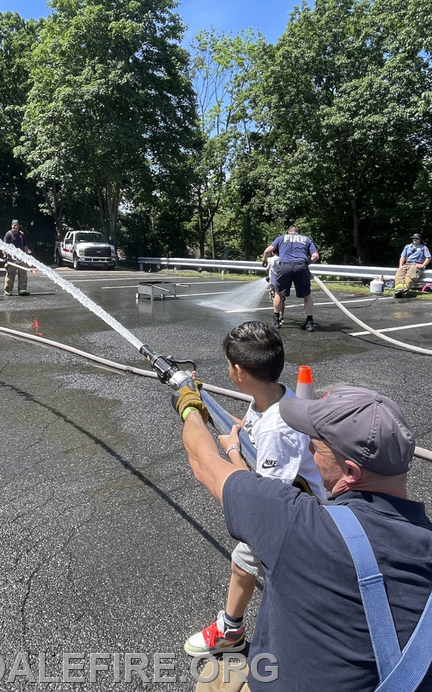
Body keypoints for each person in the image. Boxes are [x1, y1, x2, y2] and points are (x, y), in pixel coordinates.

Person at [175, 383, 432, 691]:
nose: (309, 451)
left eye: (316, 447)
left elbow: (204, 464)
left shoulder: (300, 525)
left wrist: (189, 406)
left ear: (350, 472)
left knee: (216, 677)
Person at [182, 322, 326, 659]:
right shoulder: (274, 396)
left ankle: (231, 631)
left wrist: (231, 450)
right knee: (243, 565)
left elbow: (264, 499)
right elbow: (254, 429)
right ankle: (232, 626)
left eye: (229, 365)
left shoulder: (279, 428)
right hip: (295, 503)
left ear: (239, 372)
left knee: (247, 564)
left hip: (296, 516)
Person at [263, 226, 319, 332]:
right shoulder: (306, 239)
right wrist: (307, 262)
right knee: (306, 295)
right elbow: (315, 256)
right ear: (299, 233)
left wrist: (265, 261)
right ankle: (310, 322)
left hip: (285, 266)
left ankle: (276, 320)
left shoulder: (281, 238)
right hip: (301, 266)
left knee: (279, 293)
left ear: (289, 232)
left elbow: (267, 251)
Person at [393, 233, 431, 298]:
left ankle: (404, 290)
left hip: (415, 265)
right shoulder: (407, 247)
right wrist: (400, 265)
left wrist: (422, 265)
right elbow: (403, 256)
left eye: (417, 238)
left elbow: (428, 258)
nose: (415, 239)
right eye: (413, 238)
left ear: (420, 240)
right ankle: (399, 290)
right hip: (407, 264)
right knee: (399, 275)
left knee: (409, 277)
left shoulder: (423, 248)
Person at [3, 219, 31, 296]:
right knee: (10, 274)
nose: (15, 226)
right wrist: (5, 257)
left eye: (17, 225)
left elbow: (25, 246)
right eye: (14, 225)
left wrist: (26, 255)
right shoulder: (8, 234)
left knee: (23, 273)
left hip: (21, 257)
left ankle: (22, 290)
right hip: (11, 258)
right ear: (11, 225)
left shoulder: (21, 234)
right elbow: (4, 247)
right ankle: (8, 290)